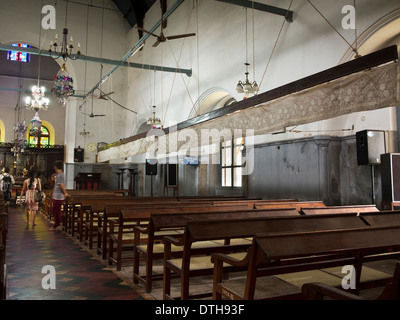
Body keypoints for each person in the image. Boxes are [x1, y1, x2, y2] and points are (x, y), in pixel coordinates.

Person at [49, 160, 68, 231]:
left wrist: (65, 193)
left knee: (57, 210)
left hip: (58, 196)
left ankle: (56, 224)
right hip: (56, 195)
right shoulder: (58, 175)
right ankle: (56, 222)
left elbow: (61, 185)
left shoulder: (60, 175)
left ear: (55, 167)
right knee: (54, 209)